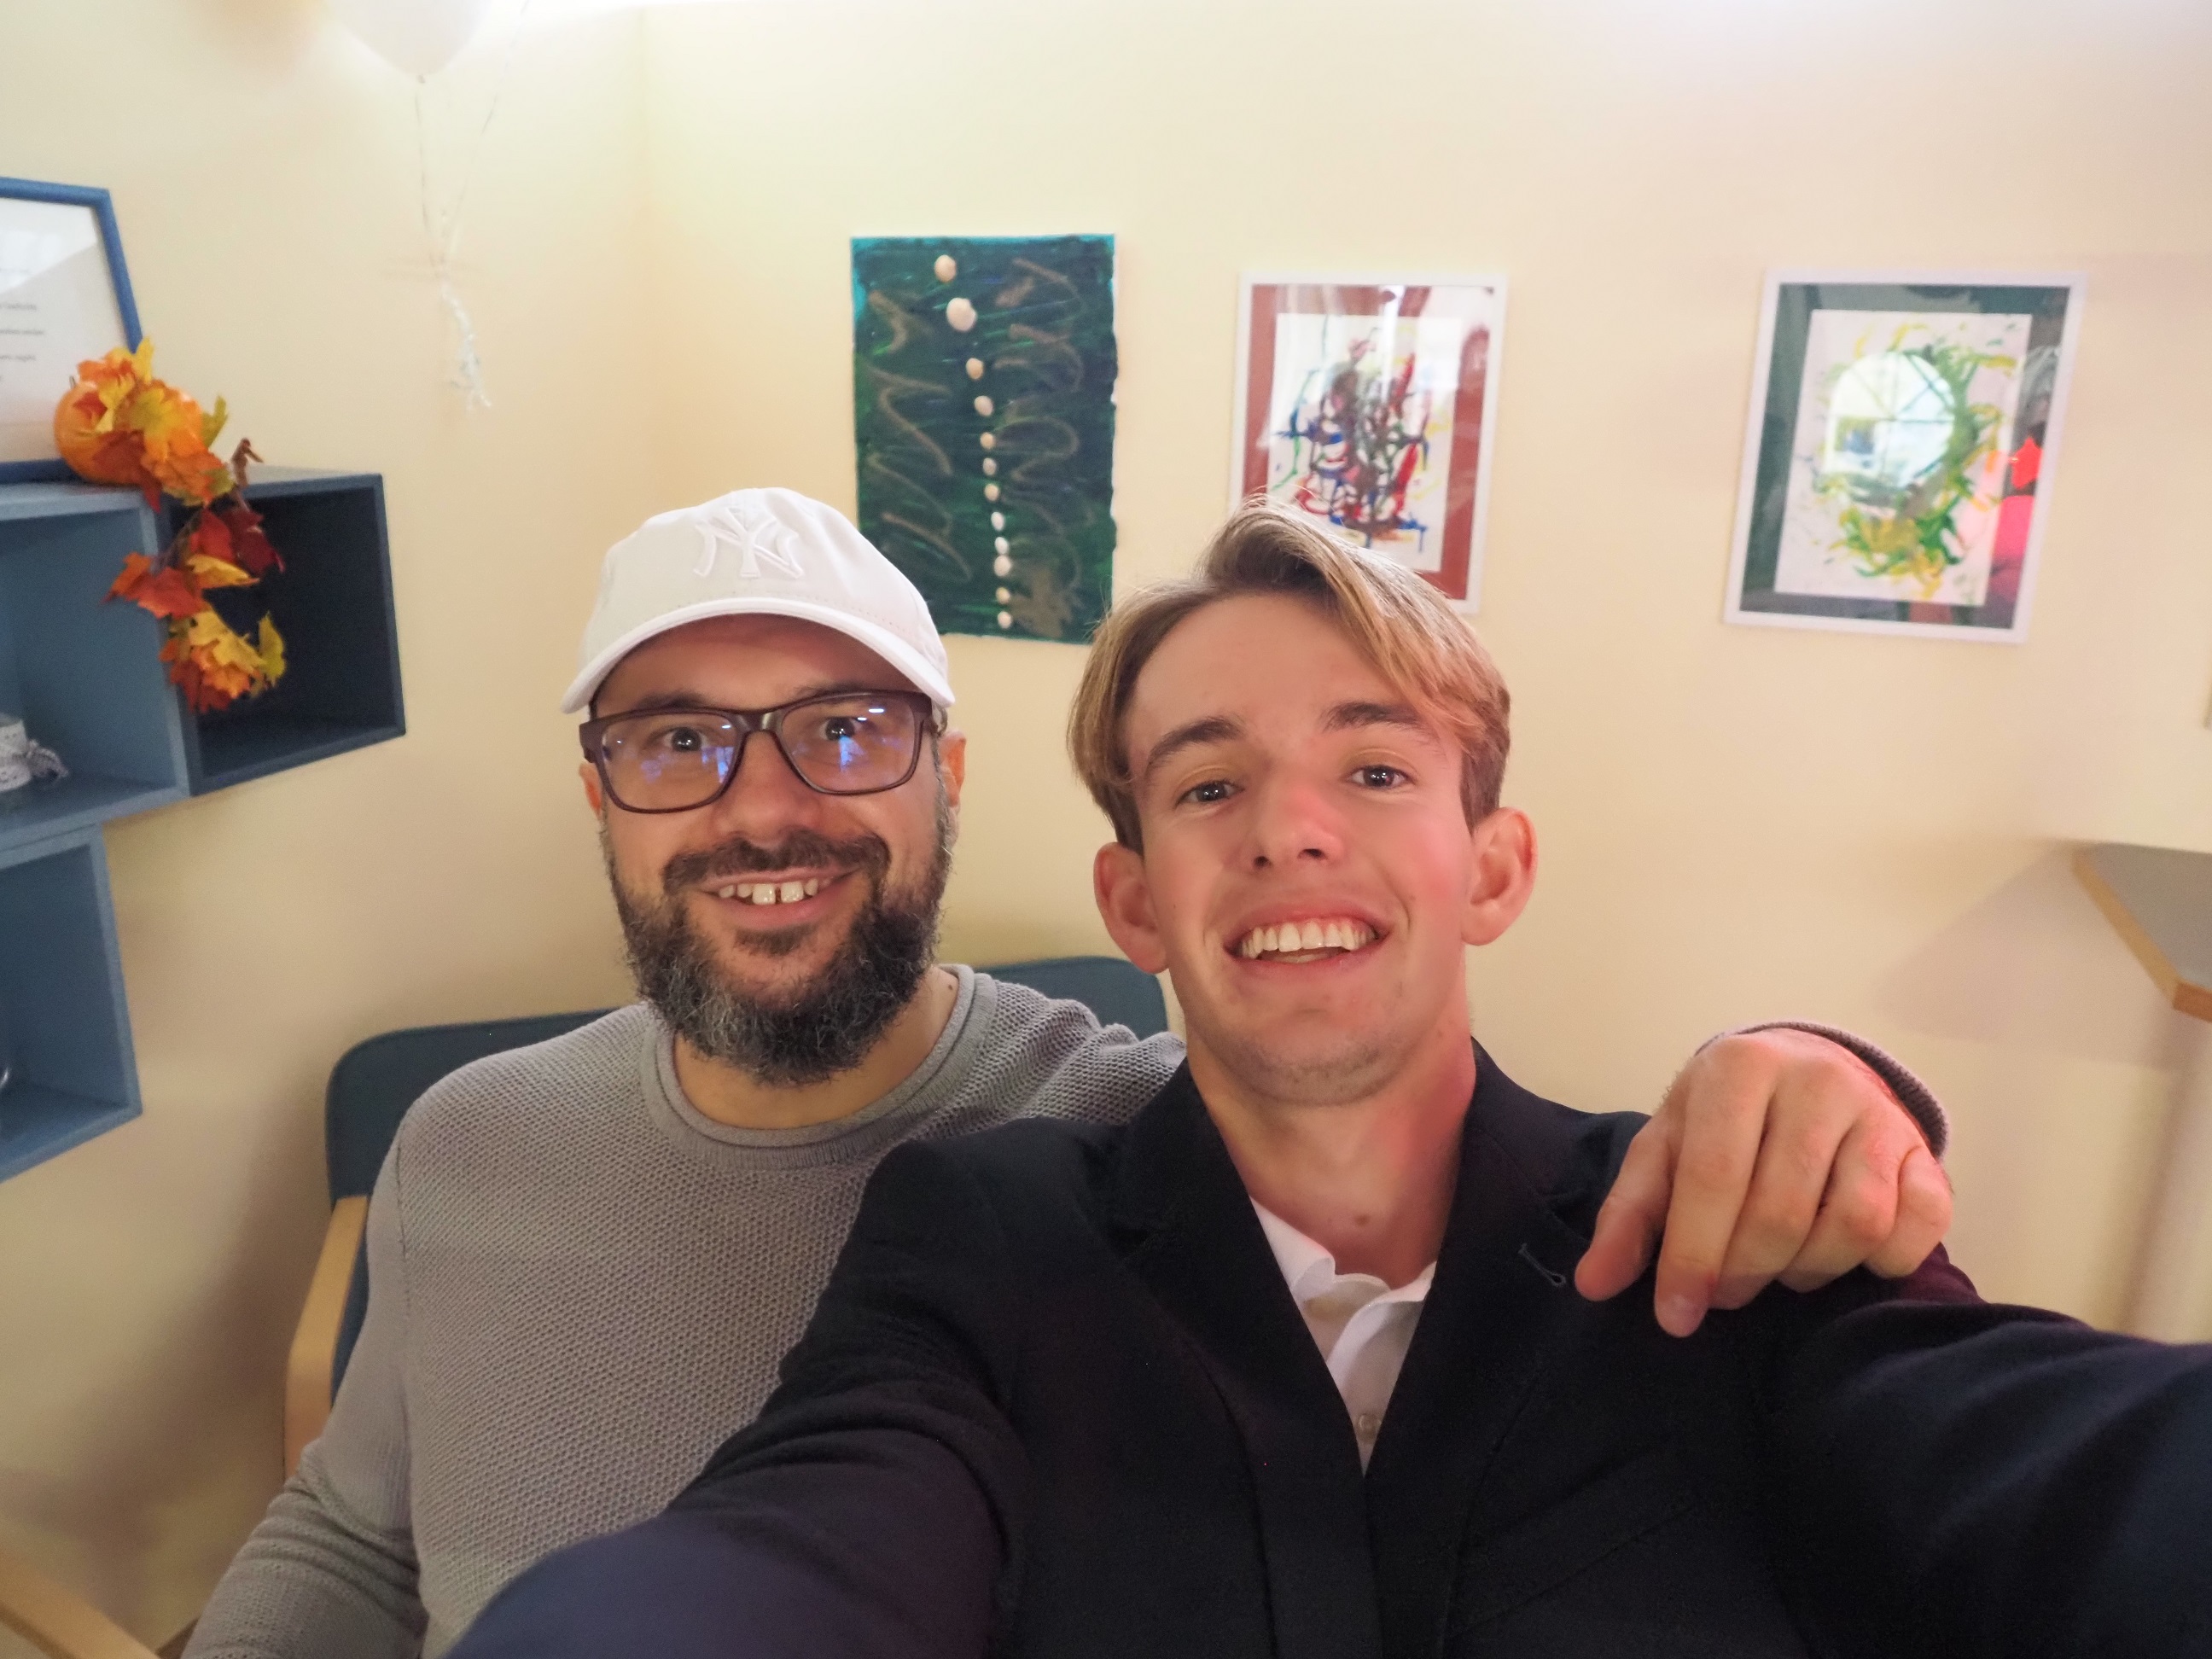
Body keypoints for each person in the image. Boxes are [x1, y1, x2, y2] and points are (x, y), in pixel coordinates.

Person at [188, 491, 1949, 1659]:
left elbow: (1393, 1138)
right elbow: (346, 1533)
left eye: (846, 730)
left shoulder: (1104, 1161)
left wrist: (1822, 1077)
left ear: (944, 776)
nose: (763, 806)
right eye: (676, 742)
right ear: (602, 795)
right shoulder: (463, 1142)